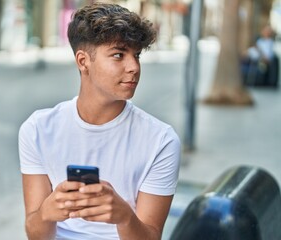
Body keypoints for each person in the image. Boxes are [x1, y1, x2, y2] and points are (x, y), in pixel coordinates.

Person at [18, 3, 181, 240]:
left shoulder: (161, 141)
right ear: (83, 61)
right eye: (118, 55)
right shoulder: (38, 130)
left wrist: (124, 216)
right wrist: (46, 213)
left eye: (136, 55)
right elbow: (35, 234)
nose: (134, 67)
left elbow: (150, 236)